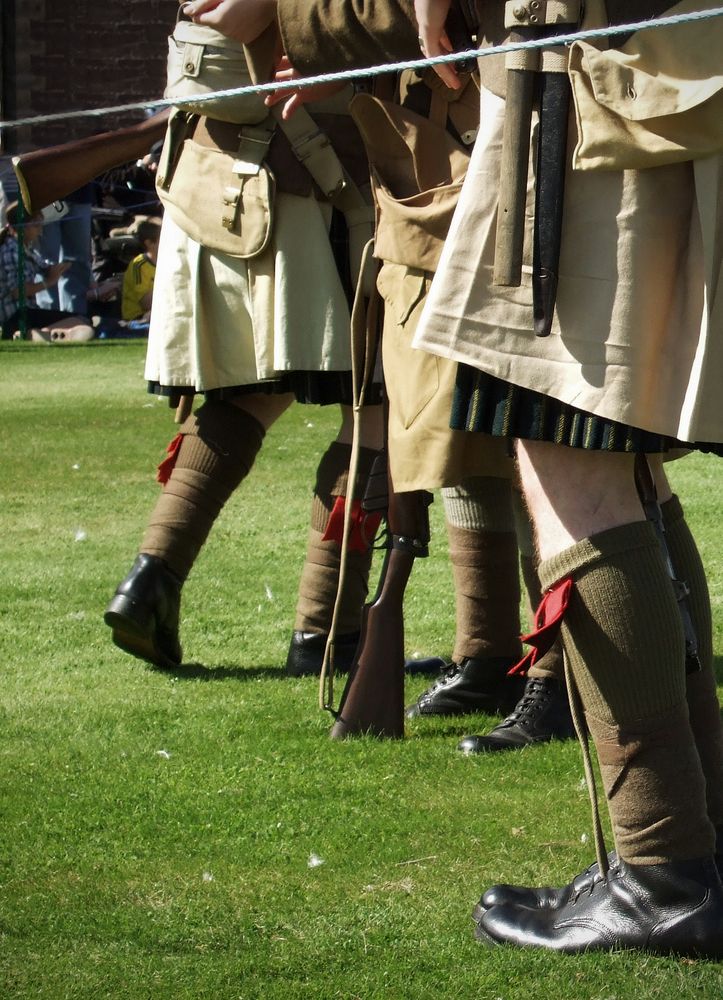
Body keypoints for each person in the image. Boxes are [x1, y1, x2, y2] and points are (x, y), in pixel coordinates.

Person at [409, 0, 723, 956]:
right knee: (617, 476)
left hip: (601, 92)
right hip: (635, 84)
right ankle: (695, 846)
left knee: (573, 475)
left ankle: (663, 867)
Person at [266, 0, 574, 743]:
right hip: (429, 173)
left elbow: (354, 20)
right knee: (454, 437)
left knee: (544, 449)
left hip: (491, 160)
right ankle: (488, 651)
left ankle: (561, 671)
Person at [104, 4, 384, 673]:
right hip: (307, 182)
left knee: (246, 400)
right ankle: (327, 634)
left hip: (223, 176)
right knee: (376, 406)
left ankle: (150, 583)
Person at [0, 202, 94, 341]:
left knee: (82, 321)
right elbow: (17, 292)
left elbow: (44, 267)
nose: (40, 230)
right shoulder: (13, 251)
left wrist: (62, 267)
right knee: (82, 322)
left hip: (26, 313)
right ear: (22, 227)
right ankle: (34, 333)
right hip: (15, 317)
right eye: (36, 225)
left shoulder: (24, 248)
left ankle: (38, 333)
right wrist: (48, 282)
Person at [121, 217, 161, 322]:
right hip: (138, 316)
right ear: (149, 243)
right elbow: (146, 303)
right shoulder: (138, 265)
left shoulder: (167, 261)